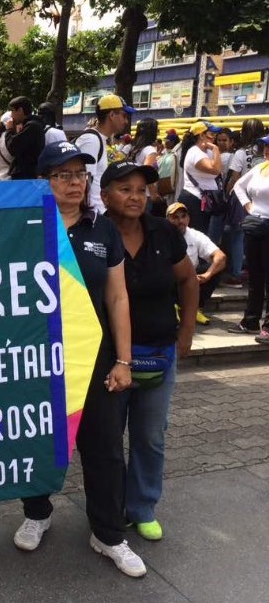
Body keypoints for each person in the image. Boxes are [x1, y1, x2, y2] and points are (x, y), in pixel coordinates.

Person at [13, 142, 143, 577]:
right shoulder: (20, 226)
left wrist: (123, 360)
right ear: (42, 180)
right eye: (63, 174)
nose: (74, 182)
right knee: (37, 440)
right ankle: (36, 512)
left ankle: (108, 534)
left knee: (105, 447)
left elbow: (118, 295)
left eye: (80, 174)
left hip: (94, 358)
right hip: (35, 357)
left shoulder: (102, 230)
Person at [101, 161, 198, 545]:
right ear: (105, 195)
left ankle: (142, 507)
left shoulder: (163, 231)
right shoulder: (95, 233)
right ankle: (109, 509)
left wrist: (186, 331)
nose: (136, 197)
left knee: (150, 436)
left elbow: (188, 279)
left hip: (159, 352)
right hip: (108, 358)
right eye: (125, 189)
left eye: (142, 190)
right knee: (107, 440)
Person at [228, 135, 269, 342]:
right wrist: (247, 206)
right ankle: (251, 320)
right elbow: (238, 186)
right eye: (265, 146)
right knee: (255, 276)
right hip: (255, 226)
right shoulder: (260, 169)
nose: (266, 150)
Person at [166, 202, 226, 325]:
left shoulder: (195, 235)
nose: (180, 221)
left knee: (216, 268)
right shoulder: (160, 234)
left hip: (188, 278)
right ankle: (170, 307)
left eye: (183, 216)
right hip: (167, 278)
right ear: (167, 220)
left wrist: (207, 275)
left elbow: (221, 257)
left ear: (188, 218)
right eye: (175, 217)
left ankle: (195, 307)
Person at [222, 118, 266, 288]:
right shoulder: (264, 152)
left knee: (237, 236)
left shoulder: (241, 153)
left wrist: (227, 195)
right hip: (262, 199)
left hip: (242, 198)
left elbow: (235, 178)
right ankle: (251, 270)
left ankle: (237, 273)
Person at [74, 94, 136, 213]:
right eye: (124, 115)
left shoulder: (99, 139)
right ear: (112, 115)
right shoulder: (91, 140)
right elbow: (83, 182)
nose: (126, 121)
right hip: (92, 216)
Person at [178, 120, 223, 234]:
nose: (214, 138)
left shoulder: (206, 152)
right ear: (201, 135)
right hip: (194, 199)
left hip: (202, 199)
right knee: (195, 235)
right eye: (211, 134)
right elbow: (216, 170)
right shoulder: (195, 152)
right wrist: (216, 149)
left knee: (201, 234)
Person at [125, 117, 164, 215]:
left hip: (131, 191)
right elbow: (147, 172)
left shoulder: (133, 148)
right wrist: (153, 193)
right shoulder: (150, 150)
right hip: (145, 195)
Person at [6, 96, 45, 179]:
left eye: (13, 111)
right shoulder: (32, 126)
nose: (11, 115)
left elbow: (13, 147)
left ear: (20, 110)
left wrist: (9, 130)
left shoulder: (31, 127)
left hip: (26, 176)